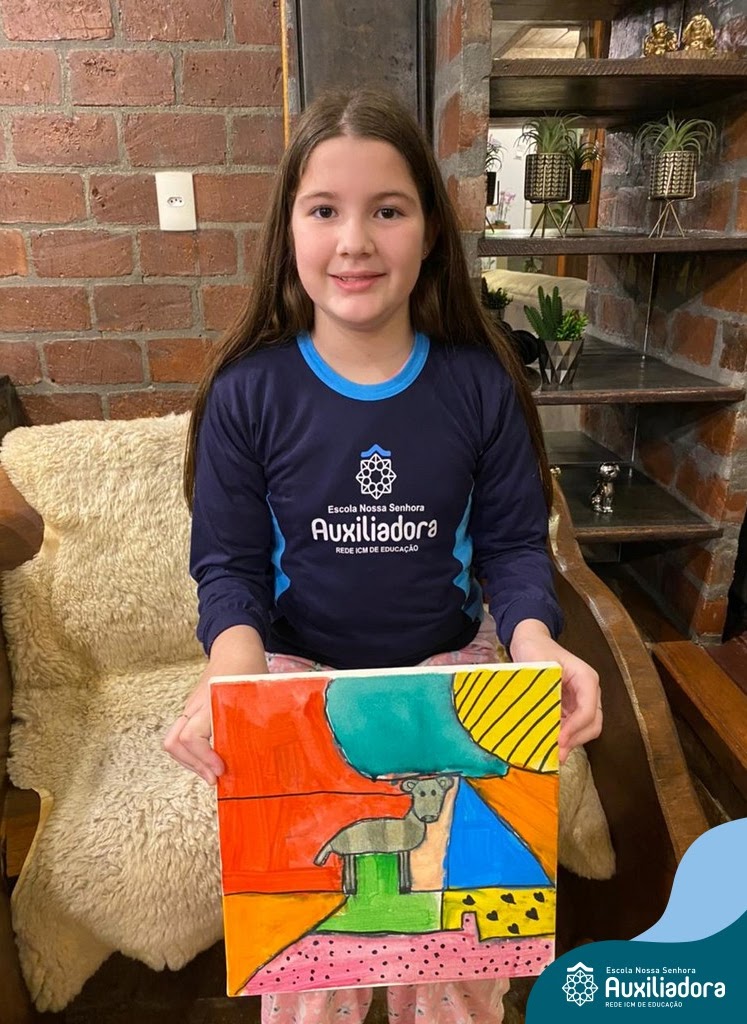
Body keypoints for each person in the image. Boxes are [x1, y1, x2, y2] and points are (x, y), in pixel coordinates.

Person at [164, 88, 602, 1024]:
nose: (354, 241)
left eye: (387, 210)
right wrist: (229, 678)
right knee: (313, 947)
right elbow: (230, 570)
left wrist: (534, 642)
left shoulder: (479, 384)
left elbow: (513, 546)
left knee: (452, 939)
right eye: (324, 210)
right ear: (288, 230)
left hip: (446, 671)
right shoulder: (247, 393)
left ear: (431, 232)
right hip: (298, 678)